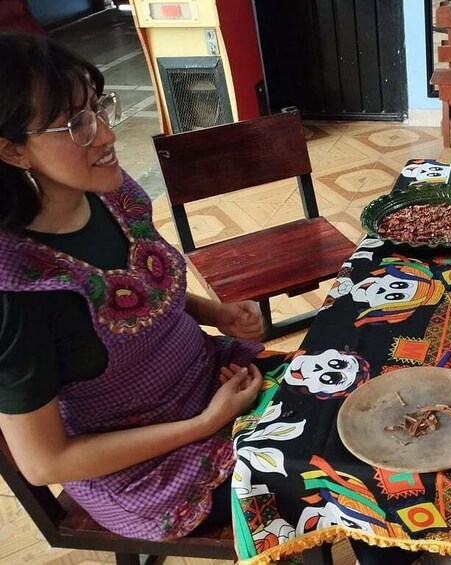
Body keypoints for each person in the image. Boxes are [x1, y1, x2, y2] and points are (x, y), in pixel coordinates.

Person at [0, 32, 266, 541]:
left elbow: (135, 294)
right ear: (12, 151)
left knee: (341, 395)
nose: (105, 135)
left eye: (97, 108)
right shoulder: (20, 292)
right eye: (76, 124)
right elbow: (43, 462)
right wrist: (204, 425)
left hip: (211, 381)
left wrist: (217, 313)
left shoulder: (111, 194)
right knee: (320, 475)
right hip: (152, 467)